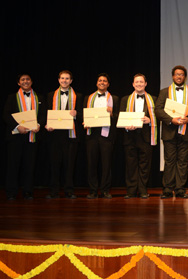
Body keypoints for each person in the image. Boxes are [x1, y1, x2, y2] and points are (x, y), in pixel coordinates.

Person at [3, 74, 45, 200]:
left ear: (31, 81)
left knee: (30, 166)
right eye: (23, 80)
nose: (25, 81)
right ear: (18, 83)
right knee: (13, 166)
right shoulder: (11, 98)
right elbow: (6, 115)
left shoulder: (39, 97)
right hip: (16, 137)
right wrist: (17, 126)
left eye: (27, 79)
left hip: (32, 136)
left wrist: (38, 125)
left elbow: (43, 115)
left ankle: (28, 191)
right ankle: (11, 192)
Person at [155, 65, 188, 199]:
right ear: (173, 76)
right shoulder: (164, 92)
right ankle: (167, 189)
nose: (179, 76)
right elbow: (158, 110)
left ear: (185, 77)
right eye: (177, 74)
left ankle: (180, 189)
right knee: (170, 161)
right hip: (169, 131)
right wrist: (171, 119)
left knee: (183, 161)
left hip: (186, 131)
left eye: (182, 74)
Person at [45, 70, 83, 199]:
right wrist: (46, 125)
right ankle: (53, 190)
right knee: (54, 164)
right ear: (58, 80)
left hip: (71, 135)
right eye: (62, 78)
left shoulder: (79, 96)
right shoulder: (50, 95)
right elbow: (46, 113)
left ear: (71, 81)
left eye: (67, 78)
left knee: (70, 164)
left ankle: (69, 190)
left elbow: (84, 115)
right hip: (55, 135)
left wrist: (77, 114)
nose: (64, 81)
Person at [120, 74, 157, 199]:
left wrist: (150, 120)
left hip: (146, 136)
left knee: (145, 165)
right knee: (130, 165)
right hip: (130, 136)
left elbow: (159, 117)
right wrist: (126, 125)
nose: (139, 84)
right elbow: (121, 116)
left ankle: (142, 190)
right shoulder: (125, 99)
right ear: (133, 84)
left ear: (146, 84)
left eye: (141, 82)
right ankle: (130, 191)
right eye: (137, 82)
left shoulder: (153, 99)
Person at [83, 73, 119, 199]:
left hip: (107, 134)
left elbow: (118, 117)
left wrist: (112, 113)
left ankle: (105, 190)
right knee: (91, 163)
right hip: (92, 134)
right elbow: (84, 114)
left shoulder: (114, 98)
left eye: (104, 81)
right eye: (100, 80)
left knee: (106, 164)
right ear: (97, 83)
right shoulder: (88, 97)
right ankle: (93, 190)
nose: (102, 82)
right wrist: (84, 121)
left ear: (108, 84)